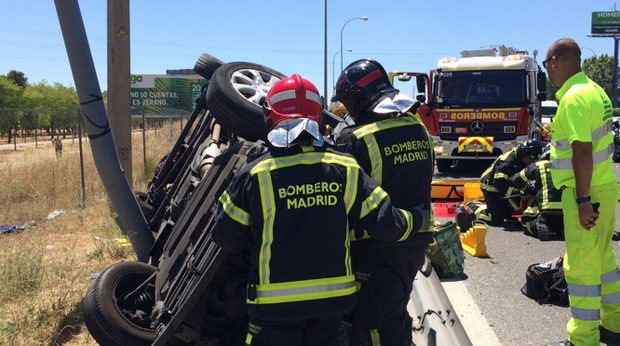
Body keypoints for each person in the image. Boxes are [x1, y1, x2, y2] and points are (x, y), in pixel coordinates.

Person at [211, 74, 428, 346]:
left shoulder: (255, 175)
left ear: (271, 117)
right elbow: (387, 224)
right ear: (319, 118)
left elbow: (224, 236)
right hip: (332, 306)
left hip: (274, 309)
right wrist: (418, 218)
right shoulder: (347, 169)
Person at [333, 59, 434, 346]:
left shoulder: (354, 139)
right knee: (394, 312)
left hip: (375, 246)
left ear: (359, 96)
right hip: (416, 238)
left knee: (376, 325)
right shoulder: (419, 128)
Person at [542, 39, 620, 346]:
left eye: (547, 64)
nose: (548, 70)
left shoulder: (573, 98)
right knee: (603, 262)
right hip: (605, 186)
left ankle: (583, 339)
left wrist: (583, 200)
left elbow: (582, 150)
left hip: (585, 191)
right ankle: (614, 326)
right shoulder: (595, 90)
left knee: (581, 270)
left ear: (555, 61)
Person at [477, 139, 542, 226]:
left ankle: (506, 212)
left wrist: (529, 190)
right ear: (524, 153)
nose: (534, 161)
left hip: (506, 185)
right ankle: (473, 209)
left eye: (537, 158)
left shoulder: (523, 161)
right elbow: (498, 182)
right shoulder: (507, 162)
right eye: (533, 157)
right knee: (496, 220)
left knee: (518, 203)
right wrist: (517, 192)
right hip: (491, 187)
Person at [512, 145, 564, 241]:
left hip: (545, 208)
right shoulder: (566, 167)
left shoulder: (539, 166)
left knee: (525, 220)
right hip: (565, 210)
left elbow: (517, 179)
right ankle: (561, 227)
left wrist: (526, 189)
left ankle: (535, 225)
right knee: (560, 221)